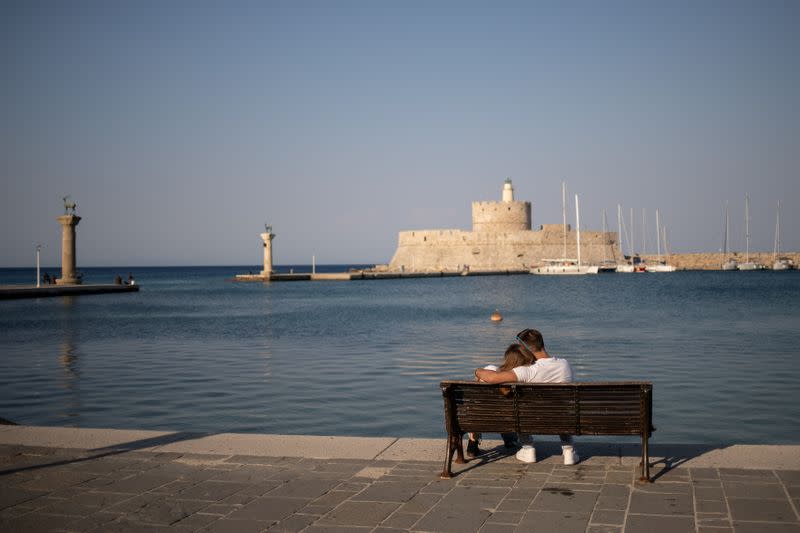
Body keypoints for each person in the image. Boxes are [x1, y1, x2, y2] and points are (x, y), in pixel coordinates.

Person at [474, 328, 579, 466]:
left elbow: (492, 378)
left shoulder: (527, 371)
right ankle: (568, 451)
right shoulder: (564, 364)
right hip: (562, 419)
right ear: (541, 343)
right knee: (561, 407)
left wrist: (478, 371)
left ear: (524, 348)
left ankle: (528, 448)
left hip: (531, 420)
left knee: (521, 408)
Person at [466, 343, 533, 458]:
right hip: (512, 420)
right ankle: (510, 440)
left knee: (483, 402)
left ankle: (473, 439)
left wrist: (478, 372)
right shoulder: (530, 378)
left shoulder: (494, 372)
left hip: (481, 418)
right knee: (509, 410)